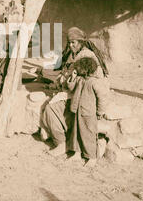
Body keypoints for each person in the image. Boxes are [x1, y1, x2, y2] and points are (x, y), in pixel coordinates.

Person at [40, 27, 109, 156]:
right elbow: (66, 74)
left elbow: (87, 81)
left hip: (83, 95)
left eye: (74, 43)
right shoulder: (74, 55)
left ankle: (61, 142)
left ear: (81, 42)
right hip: (74, 90)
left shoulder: (86, 56)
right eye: (70, 43)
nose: (71, 46)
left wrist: (64, 82)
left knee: (51, 109)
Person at [67, 57, 107, 167]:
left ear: (86, 69)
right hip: (78, 111)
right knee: (77, 133)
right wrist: (73, 77)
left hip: (88, 113)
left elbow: (102, 98)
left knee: (88, 134)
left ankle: (92, 157)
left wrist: (100, 112)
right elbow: (70, 88)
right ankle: (77, 153)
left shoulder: (94, 83)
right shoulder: (80, 79)